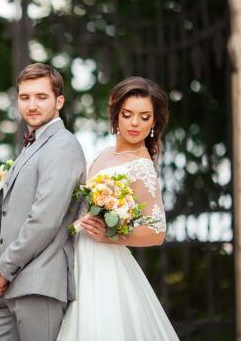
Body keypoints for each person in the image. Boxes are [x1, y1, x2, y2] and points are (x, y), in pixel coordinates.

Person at [57, 76, 179, 340]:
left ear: (154, 122)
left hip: (104, 261)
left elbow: (157, 232)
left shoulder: (142, 166)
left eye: (145, 117)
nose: (135, 123)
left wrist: (111, 235)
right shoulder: (104, 153)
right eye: (128, 114)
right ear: (116, 115)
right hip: (79, 252)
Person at [0, 63, 86, 341]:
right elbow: (12, 216)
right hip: (10, 284)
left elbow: (45, 218)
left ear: (59, 101)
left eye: (41, 97)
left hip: (40, 285)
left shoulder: (62, 145)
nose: (32, 104)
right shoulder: (31, 146)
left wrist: (4, 268)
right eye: (24, 97)